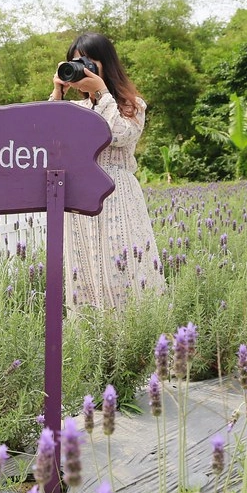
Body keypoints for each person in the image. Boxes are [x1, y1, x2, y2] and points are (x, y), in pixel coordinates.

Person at [48, 32, 165, 308]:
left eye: (87, 61)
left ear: (106, 64)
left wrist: (102, 93)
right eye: (74, 62)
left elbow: (119, 134)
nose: (81, 68)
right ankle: (94, 330)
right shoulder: (73, 109)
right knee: (85, 267)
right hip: (78, 196)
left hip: (116, 194)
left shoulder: (131, 105)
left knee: (122, 264)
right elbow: (47, 136)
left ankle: (134, 327)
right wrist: (57, 93)